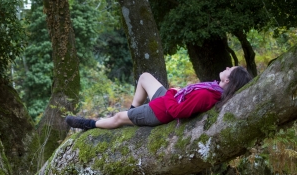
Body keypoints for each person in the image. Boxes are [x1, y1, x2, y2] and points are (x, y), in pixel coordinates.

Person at [66, 66, 252, 130]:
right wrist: (174, 93)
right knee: (145, 77)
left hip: (160, 111)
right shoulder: (212, 89)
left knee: (117, 118)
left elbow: (176, 112)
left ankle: (88, 124)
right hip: (168, 99)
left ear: (228, 80)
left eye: (230, 69)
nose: (227, 67)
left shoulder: (207, 95)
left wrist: (171, 92)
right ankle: (133, 112)